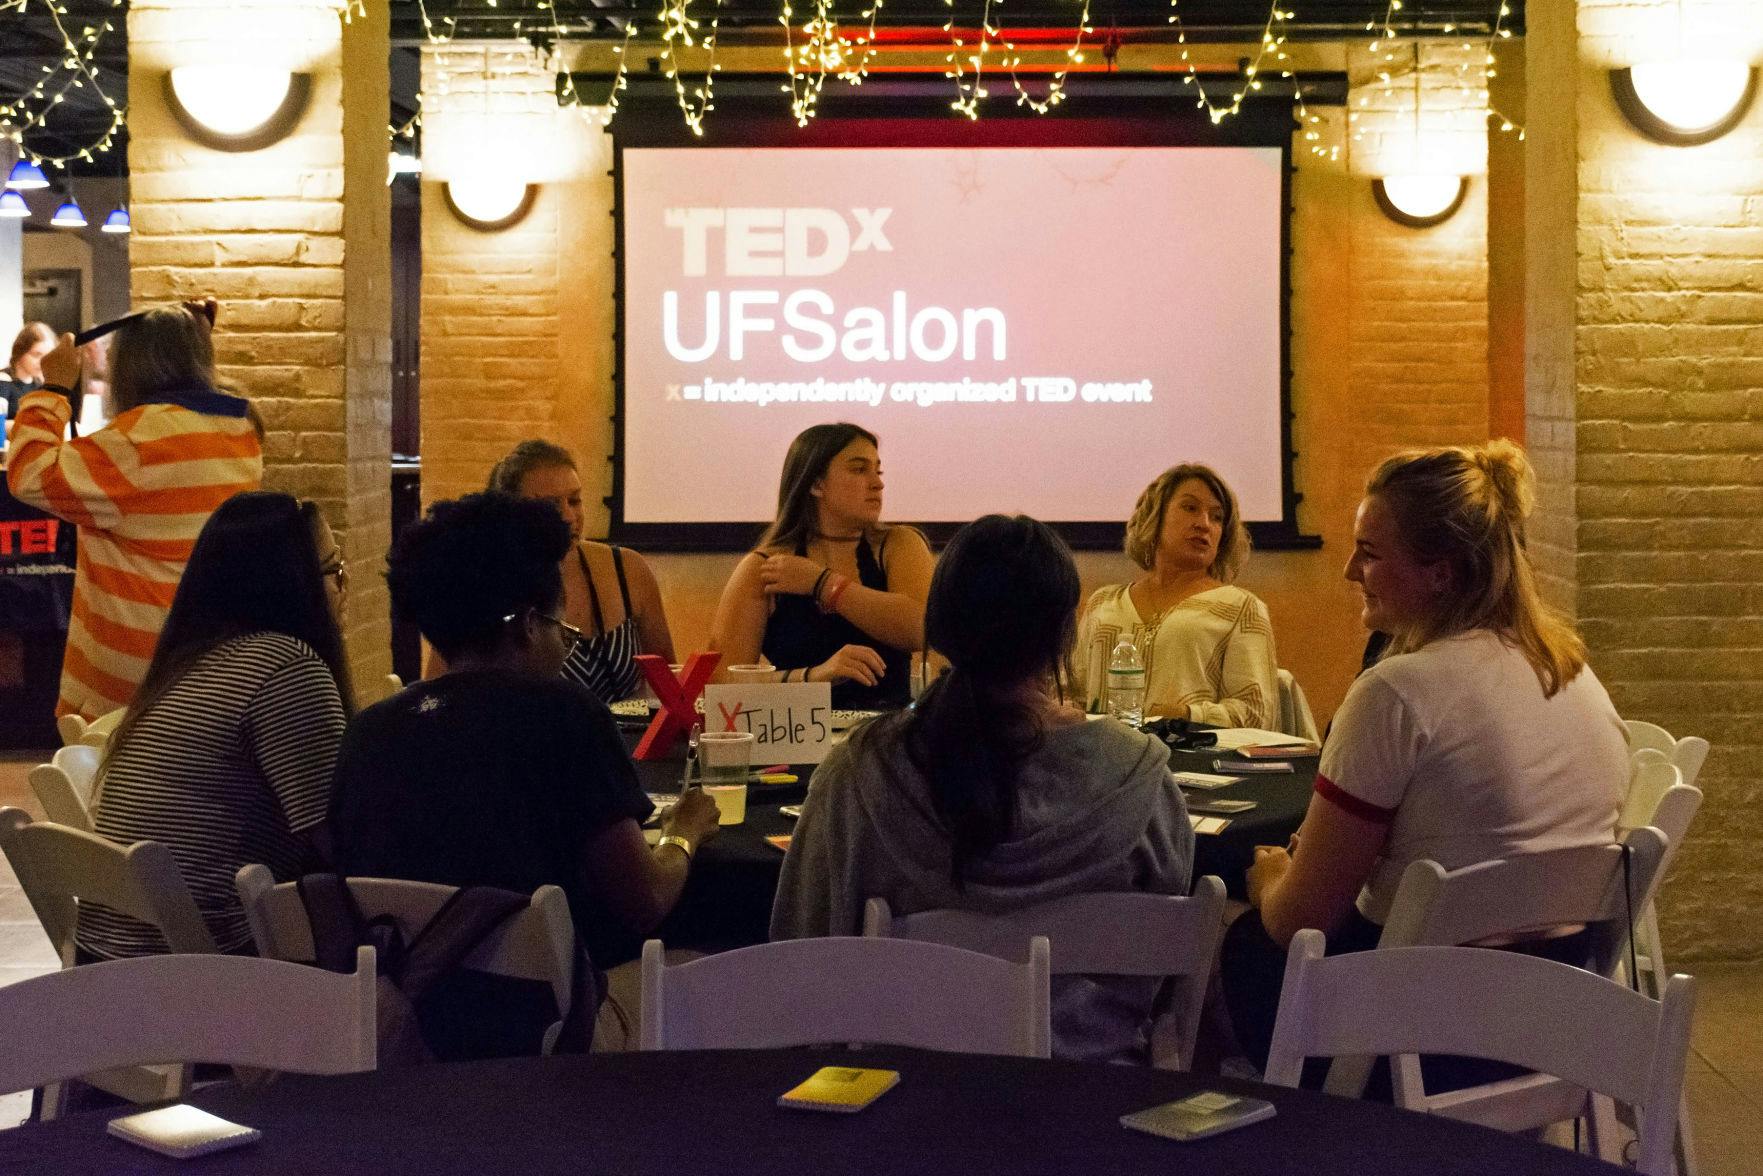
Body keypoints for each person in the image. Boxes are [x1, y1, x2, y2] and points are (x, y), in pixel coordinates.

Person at [1220, 440, 1628, 1074]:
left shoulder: (1396, 693)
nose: (1350, 570)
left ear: (1441, 571)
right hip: (1552, 1030)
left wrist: (1269, 876)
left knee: (1218, 939)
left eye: (1371, 553)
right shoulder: (1573, 674)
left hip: (1412, 1045)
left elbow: (1304, 921)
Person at [771, 514, 1194, 1063]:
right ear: (1066, 635)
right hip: (1094, 1107)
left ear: (941, 624)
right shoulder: (1139, 776)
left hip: (905, 1103)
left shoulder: (860, 773)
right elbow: (1162, 969)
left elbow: (800, 962)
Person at [330, 491, 721, 974]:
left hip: (405, 1023)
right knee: (713, 963)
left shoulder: (370, 732)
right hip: (551, 1028)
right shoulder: (566, 716)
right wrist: (684, 831)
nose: (565, 646)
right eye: (565, 630)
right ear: (531, 625)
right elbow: (644, 903)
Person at [76, 492, 353, 960]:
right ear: (295, 584)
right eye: (334, 571)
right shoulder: (286, 668)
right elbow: (340, 841)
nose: (345, 588)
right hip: (200, 976)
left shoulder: (187, 663)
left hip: (106, 968)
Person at [4, 301, 263, 720]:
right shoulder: (239, 429)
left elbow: (29, 474)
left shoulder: (137, 442)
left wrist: (52, 390)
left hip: (129, 684)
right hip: (201, 657)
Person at [710, 423, 933, 710]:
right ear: (816, 484)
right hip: (791, 739)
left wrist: (824, 583)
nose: (878, 483)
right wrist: (814, 676)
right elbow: (721, 686)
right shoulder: (764, 567)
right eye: (858, 469)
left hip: (885, 738)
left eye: (877, 471)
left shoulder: (899, 544)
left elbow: (921, 630)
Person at [470, 440, 675, 703]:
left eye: (575, 500)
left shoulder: (628, 569)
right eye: (552, 505)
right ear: (510, 512)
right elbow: (441, 694)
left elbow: (669, 685)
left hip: (628, 742)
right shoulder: (484, 583)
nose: (569, 516)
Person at [1077, 463, 1279, 727]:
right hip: (1102, 761)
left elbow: (1256, 714)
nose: (1204, 524)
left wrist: (1185, 715)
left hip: (1190, 764)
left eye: (1217, 517)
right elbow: (1069, 694)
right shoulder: (1103, 603)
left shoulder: (1242, 609)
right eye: (1190, 507)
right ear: (1155, 517)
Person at [1, 321, 55, 418]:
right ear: (20, 351)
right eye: (36, 355)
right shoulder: (3, 380)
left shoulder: (39, 384)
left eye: (47, 357)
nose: (42, 362)